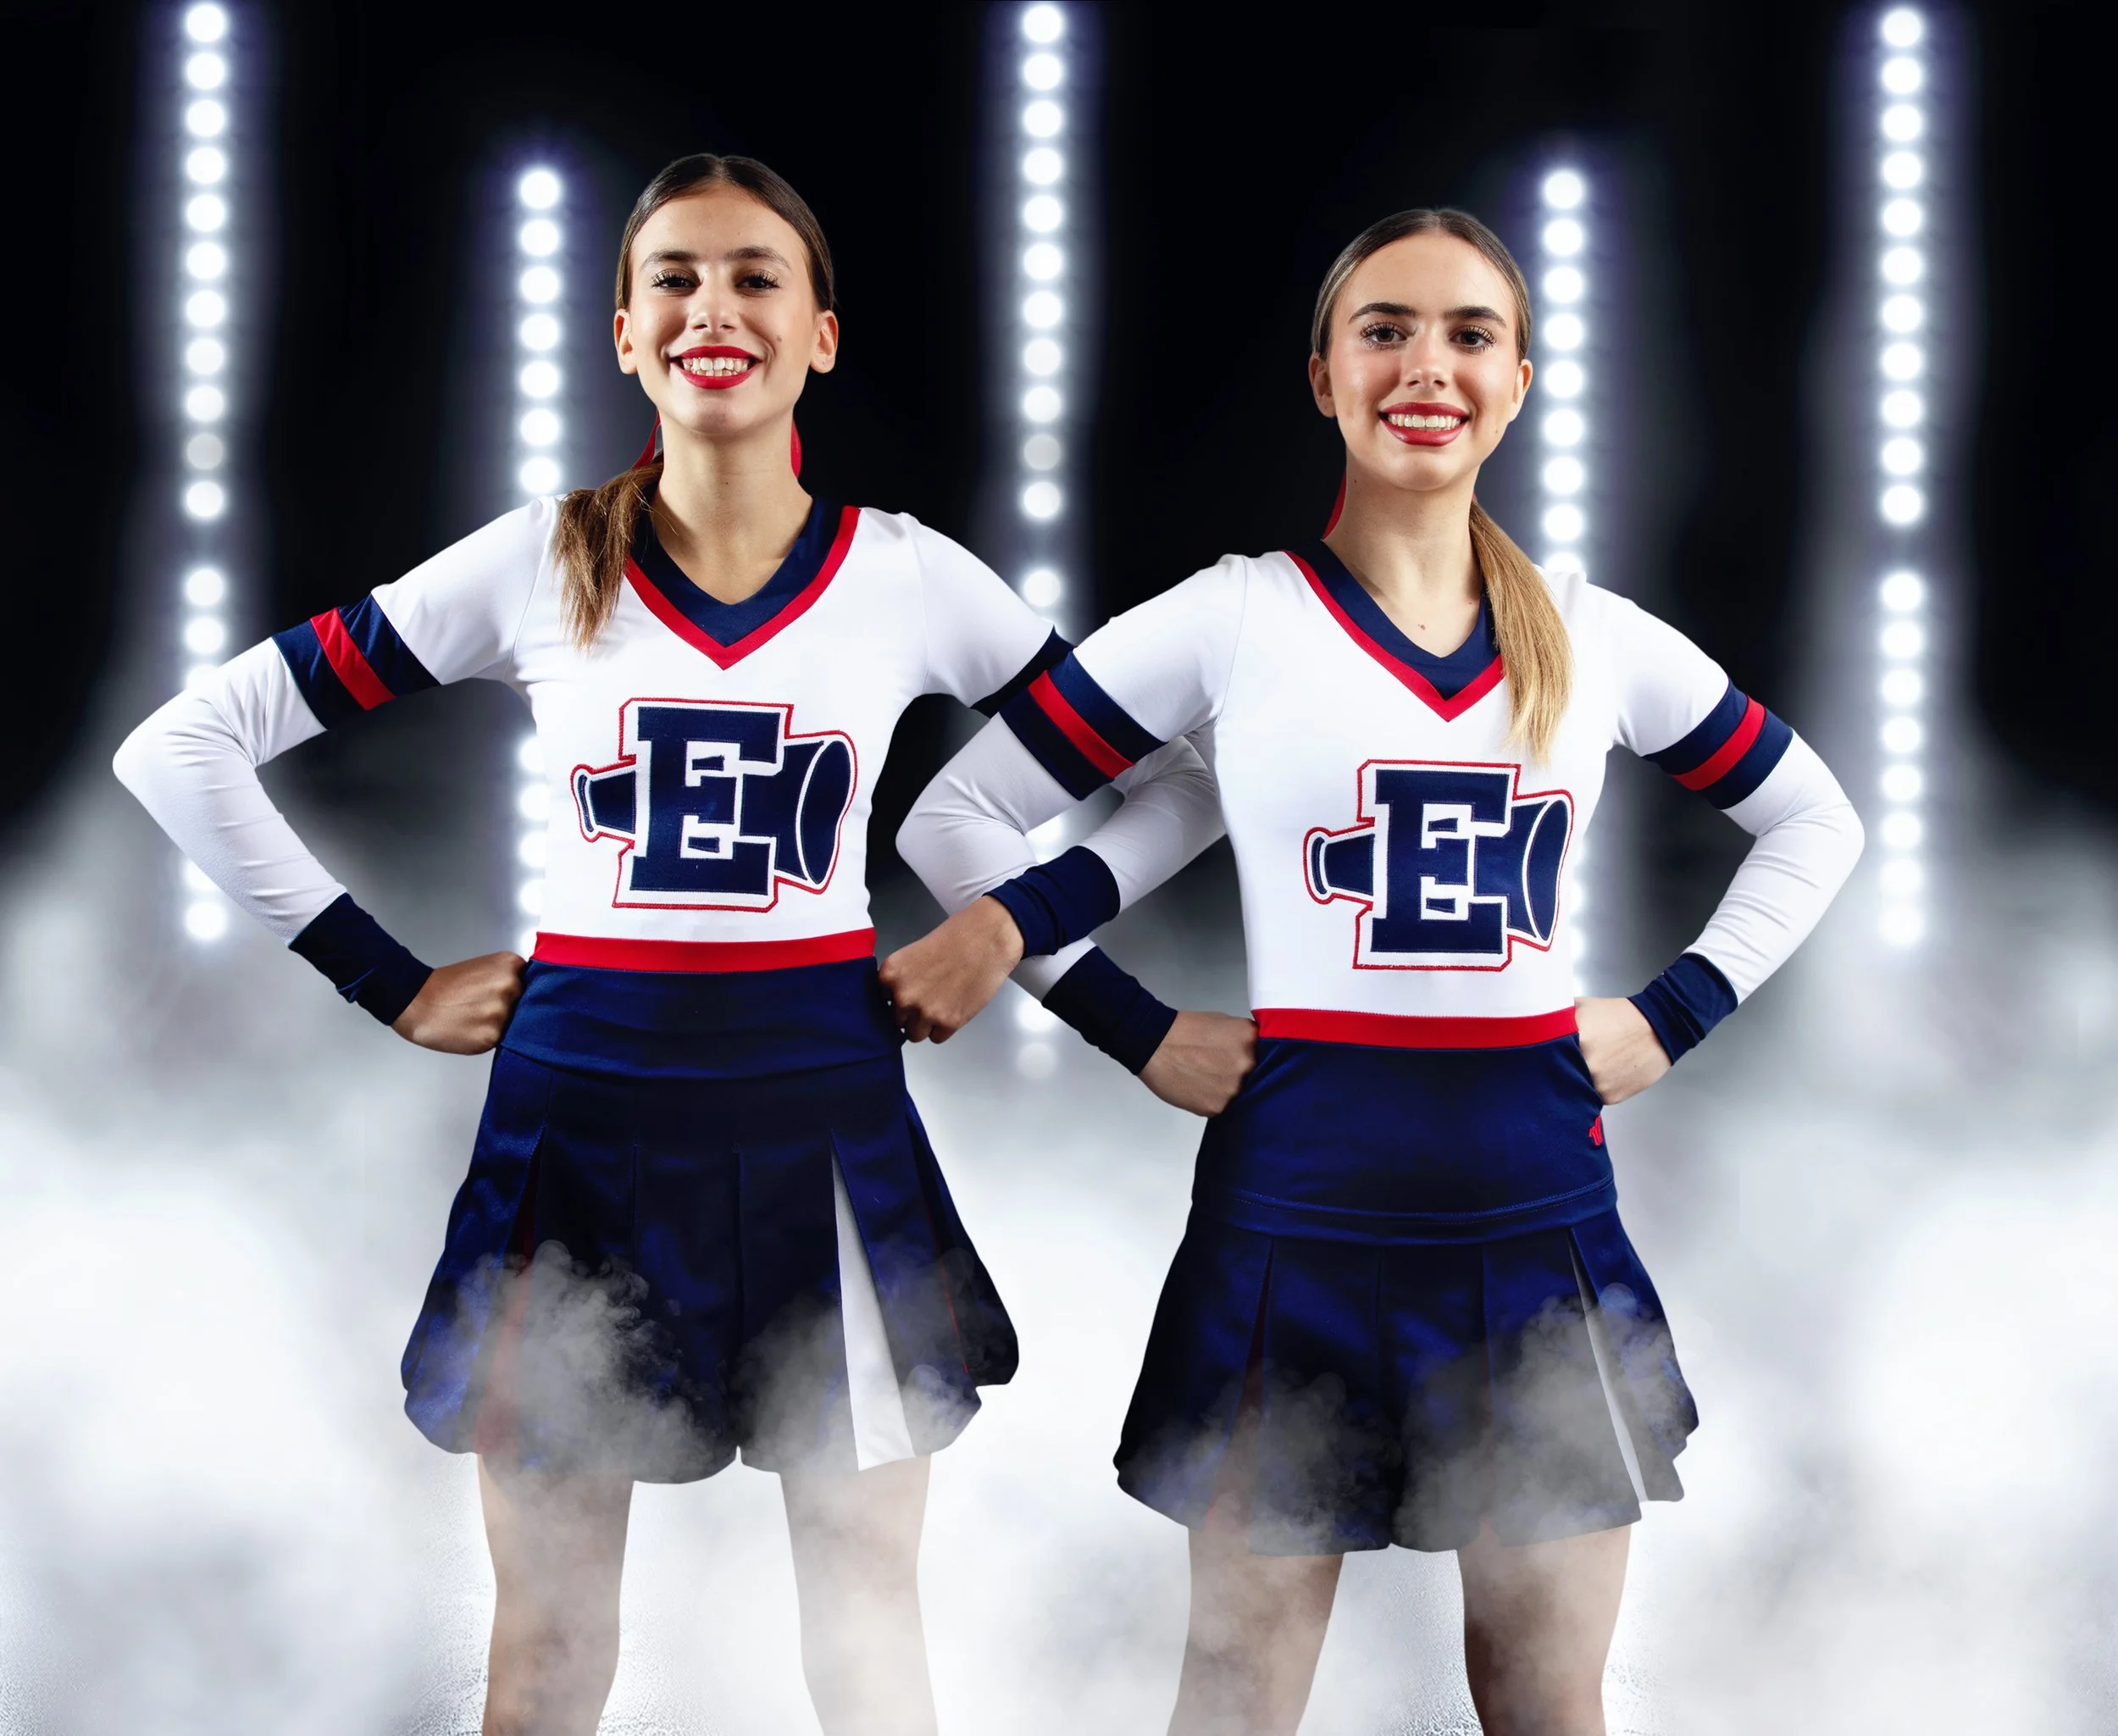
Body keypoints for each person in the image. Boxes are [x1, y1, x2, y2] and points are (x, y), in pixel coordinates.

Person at [113, 153, 1238, 1736]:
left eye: (757, 276)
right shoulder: (537, 561)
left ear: (823, 334)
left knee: (864, 1650)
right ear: (628, 337)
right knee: (551, 1663)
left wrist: (1010, 927)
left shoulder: (910, 577)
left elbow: (1179, 786)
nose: (717, 307)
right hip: (583, 1133)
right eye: (678, 282)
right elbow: (184, 745)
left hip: (823, 1132)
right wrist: (382, 974)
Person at [880, 207, 1865, 1736]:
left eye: (1470, 333)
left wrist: (1675, 1015)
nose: (1428, 363)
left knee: (1544, 1695)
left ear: (1521, 380)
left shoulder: (1592, 641)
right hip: (1297, 1229)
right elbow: (958, 820)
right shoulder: (1234, 618)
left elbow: (1814, 816)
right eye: (1386, 329)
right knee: (1238, 1694)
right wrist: (1135, 1030)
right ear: (1326, 377)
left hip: (1535, 1227)